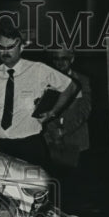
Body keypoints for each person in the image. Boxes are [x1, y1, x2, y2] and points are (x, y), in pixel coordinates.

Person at [0, 19, 78, 167]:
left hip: (29, 145)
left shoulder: (38, 69)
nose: (5, 52)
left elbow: (71, 86)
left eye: (10, 47)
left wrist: (53, 112)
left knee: (34, 188)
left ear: (21, 47)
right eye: (1, 47)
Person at [42, 48, 92, 176]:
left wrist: (64, 131)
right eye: (56, 58)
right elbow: (41, 109)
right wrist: (53, 132)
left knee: (75, 185)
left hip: (75, 142)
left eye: (64, 58)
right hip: (50, 141)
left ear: (72, 59)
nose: (60, 63)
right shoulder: (45, 80)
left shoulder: (83, 80)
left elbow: (84, 111)